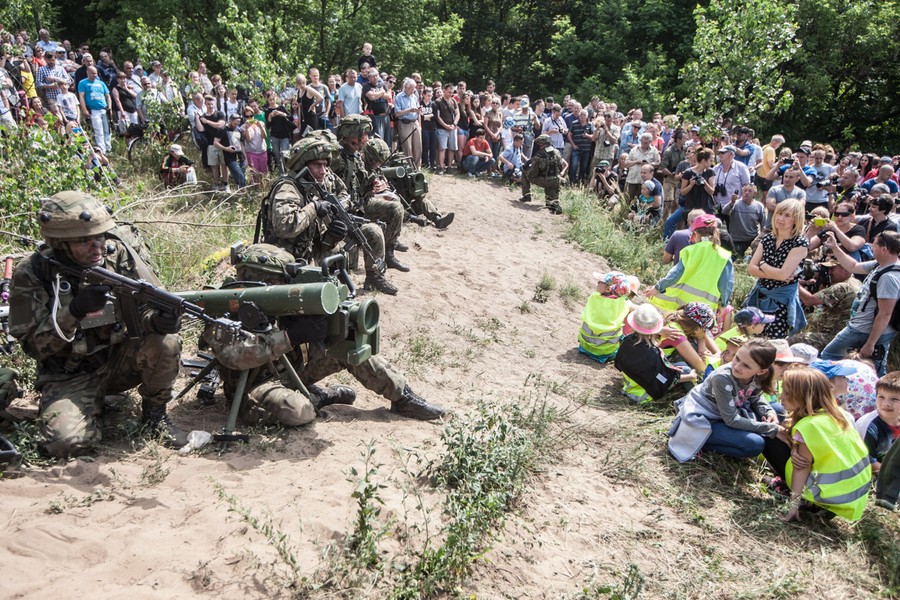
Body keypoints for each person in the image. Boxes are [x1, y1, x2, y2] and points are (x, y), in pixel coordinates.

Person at [8, 192, 188, 457]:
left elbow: (150, 304)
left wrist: (159, 320)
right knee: (64, 444)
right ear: (61, 243)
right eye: (85, 240)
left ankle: (155, 418)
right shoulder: (33, 273)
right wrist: (74, 311)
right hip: (69, 374)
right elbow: (35, 347)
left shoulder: (117, 255)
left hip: (120, 360)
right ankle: (90, 407)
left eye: (101, 236)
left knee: (166, 341)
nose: (98, 247)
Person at [200, 244, 359, 427]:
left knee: (348, 346)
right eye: (277, 281)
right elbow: (235, 357)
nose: (284, 286)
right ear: (257, 279)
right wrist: (291, 336)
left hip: (291, 371)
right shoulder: (221, 305)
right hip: (253, 386)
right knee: (299, 411)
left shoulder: (286, 299)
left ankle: (400, 395)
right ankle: (319, 397)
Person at [262, 135, 398, 295]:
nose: (323, 171)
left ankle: (371, 279)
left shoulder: (319, 181)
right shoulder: (288, 189)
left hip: (310, 249)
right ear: (302, 165)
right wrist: (315, 207)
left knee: (350, 245)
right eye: (317, 165)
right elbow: (285, 227)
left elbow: (343, 193)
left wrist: (333, 230)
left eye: (325, 165)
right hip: (288, 258)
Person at [761, 368, 871, 522]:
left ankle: (809, 501)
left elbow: (802, 466)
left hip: (824, 496)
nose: (781, 397)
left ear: (803, 396)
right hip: (848, 500)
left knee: (769, 439)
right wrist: (794, 446)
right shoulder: (837, 415)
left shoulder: (809, 426)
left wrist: (793, 506)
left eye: (786, 392)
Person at [668, 339, 782, 462]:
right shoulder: (722, 378)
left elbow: (755, 395)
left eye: (746, 365)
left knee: (778, 411)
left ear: (761, 371)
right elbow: (731, 420)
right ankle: (698, 443)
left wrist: (768, 412)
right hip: (706, 419)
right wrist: (771, 429)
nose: (737, 366)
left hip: (727, 413)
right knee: (755, 444)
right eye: (737, 358)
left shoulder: (760, 376)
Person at [330, 115, 409, 272]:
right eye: (364, 134)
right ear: (354, 135)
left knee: (396, 208)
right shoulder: (337, 158)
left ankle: (389, 254)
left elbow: (360, 183)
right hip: (344, 211)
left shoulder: (356, 155)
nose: (367, 138)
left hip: (361, 203)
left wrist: (373, 183)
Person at [819, 230, 900, 377]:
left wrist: (870, 343)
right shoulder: (880, 265)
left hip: (865, 331)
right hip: (859, 328)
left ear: (884, 249)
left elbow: (885, 314)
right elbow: (853, 266)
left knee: (830, 357)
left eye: (874, 245)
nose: (871, 249)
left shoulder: (889, 277)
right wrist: (835, 247)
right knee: (866, 369)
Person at [745, 199, 809, 338]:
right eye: (779, 213)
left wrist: (763, 265)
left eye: (787, 215)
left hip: (781, 303)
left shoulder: (800, 243)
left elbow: (782, 274)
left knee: (773, 342)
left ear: (796, 220)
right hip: (759, 297)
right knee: (752, 339)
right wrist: (777, 274)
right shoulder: (767, 239)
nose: (781, 218)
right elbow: (751, 269)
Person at [648, 213, 733, 315]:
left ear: (695, 234)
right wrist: (723, 304)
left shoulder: (689, 251)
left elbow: (675, 275)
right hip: (706, 310)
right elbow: (725, 285)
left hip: (683, 306)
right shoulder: (724, 256)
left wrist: (657, 287)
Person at [615, 304, 697, 405]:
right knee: (685, 369)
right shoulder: (653, 354)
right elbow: (665, 379)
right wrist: (691, 376)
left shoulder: (627, 340)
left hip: (628, 385)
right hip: (642, 397)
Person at [578, 271, 636, 363]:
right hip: (605, 353)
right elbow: (639, 310)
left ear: (609, 289)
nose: (597, 283)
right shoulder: (625, 303)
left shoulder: (594, 297)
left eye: (601, 282)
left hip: (585, 346)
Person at [520, 134, 567, 215]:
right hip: (556, 180)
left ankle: (527, 196)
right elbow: (561, 165)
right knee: (551, 203)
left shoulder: (540, 155)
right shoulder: (557, 152)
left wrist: (525, 170)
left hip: (545, 181)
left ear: (541, 143)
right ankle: (554, 205)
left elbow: (533, 173)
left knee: (524, 173)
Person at [722, 183, 765, 260]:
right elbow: (724, 212)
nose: (747, 193)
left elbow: (763, 224)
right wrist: (732, 202)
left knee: (758, 257)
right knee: (736, 258)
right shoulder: (736, 204)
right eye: (745, 191)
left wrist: (762, 238)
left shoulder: (759, 206)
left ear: (755, 194)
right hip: (738, 239)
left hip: (753, 238)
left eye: (749, 191)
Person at [76, 65, 111, 153]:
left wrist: (109, 107)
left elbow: (107, 96)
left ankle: (108, 147)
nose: (94, 75)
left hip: (104, 108)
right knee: (98, 130)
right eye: (92, 73)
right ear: (87, 72)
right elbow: (81, 96)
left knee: (107, 129)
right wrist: (84, 109)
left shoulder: (101, 83)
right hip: (94, 110)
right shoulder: (83, 83)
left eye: (95, 73)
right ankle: (102, 150)